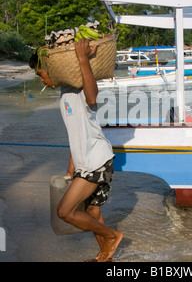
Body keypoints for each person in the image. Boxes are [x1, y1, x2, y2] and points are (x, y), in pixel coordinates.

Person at [29, 39, 123, 262]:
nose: (42, 80)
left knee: (65, 211)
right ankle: (104, 258)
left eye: (41, 74)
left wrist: (83, 59)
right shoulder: (64, 93)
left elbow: (92, 98)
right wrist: (72, 164)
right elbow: (76, 133)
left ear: (52, 68)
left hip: (96, 161)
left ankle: (113, 236)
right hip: (87, 162)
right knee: (92, 212)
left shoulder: (78, 85)